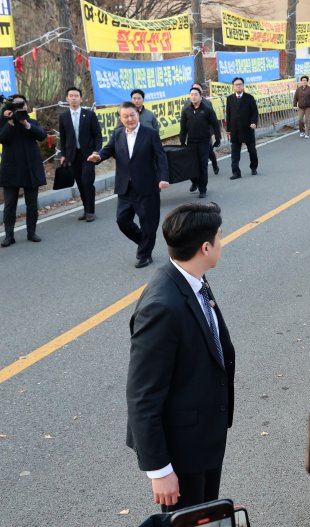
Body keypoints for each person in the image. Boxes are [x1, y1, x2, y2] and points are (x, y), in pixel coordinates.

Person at [126, 202, 235, 513]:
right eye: (219, 236)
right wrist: (159, 470)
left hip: (203, 438)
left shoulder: (193, 279)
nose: (221, 242)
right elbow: (142, 394)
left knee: (205, 516)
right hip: (181, 452)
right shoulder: (161, 306)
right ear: (204, 247)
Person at [87, 102, 169, 268]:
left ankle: (144, 254)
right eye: (125, 116)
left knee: (148, 222)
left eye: (132, 115)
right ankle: (143, 241)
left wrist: (163, 177)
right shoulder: (117, 134)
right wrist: (98, 157)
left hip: (147, 185)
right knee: (122, 220)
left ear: (138, 113)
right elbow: (107, 150)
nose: (129, 119)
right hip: (126, 186)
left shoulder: (150, 133)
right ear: (120, 118)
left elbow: (161, 157)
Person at [0, 93, 47, 247]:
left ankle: (31, 232)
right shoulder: (5, 123)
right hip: (11, 169)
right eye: (17, 105)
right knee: (9, 204)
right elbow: (2, 138)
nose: (20, 108)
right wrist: (10, 122)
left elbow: (41, 136)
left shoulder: (31, 122)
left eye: (22, 105)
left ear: (27, 106)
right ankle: (9, 236)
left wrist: (26, 123)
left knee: (32, 204)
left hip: (30, 168)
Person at [59, 87, 102, 222]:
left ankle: (91, 211)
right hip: (73, 155)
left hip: (88, 154)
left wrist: (96, 151)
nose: (73, 98)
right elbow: (63, 138)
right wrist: (63, 154)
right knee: (80, 183)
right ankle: (85, 209)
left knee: (87, 182)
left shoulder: (89, 115)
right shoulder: (63, 116)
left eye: (76, 96)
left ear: (81, 98)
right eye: (71, 96)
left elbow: (97, 135)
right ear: (67, 99)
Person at [180, 87, 221, 199]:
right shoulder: (186, 111)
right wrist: (182, 141)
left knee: (202, 166)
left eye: (195, 94)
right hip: (191, 142)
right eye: (191, 94)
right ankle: (195, 182)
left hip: (204, 142)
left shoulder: (207, 110)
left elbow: (215, 125)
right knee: (190, 166)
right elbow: (183, 128)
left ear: (200, 96)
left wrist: (218, 138)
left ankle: (203, 189)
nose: (193, 96)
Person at [225, 77, 259, 180]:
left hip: (247, 128)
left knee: (252, 151)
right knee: (235, 153)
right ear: (233, 87)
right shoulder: (230, 99)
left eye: (240, 84)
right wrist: (228, 129)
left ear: (243, 85)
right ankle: (236, 172)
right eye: (236, 84)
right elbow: (228, 114)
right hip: (235, 130)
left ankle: (253, 167)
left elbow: (254, 112)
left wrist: (253, 122)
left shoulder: (249, 98)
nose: (238, 86)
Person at [188, 83, 220, 175]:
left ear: (201, 91)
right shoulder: (188, 104)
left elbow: (213, 120)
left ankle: (214, 164)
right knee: (194, 156)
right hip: (193, 135)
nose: (194, 95)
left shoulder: (207, 103)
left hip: (206, 133)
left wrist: (214, 133)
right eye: (193, 88)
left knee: (209, 151)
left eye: (197, 89)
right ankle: (197, 176)